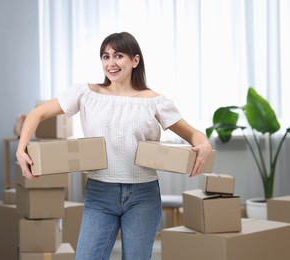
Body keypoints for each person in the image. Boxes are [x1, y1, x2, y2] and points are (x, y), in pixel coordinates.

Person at [16, 32, 213, 260]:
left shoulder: (155, 101)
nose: (111, 63)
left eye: (118, 56)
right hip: (100, 192)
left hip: (143, 195)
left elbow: (194, 134)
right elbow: (36, 114)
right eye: (105, 56)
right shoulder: (85, 93)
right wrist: (21, 149)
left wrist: (204, 145)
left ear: (135, 60)